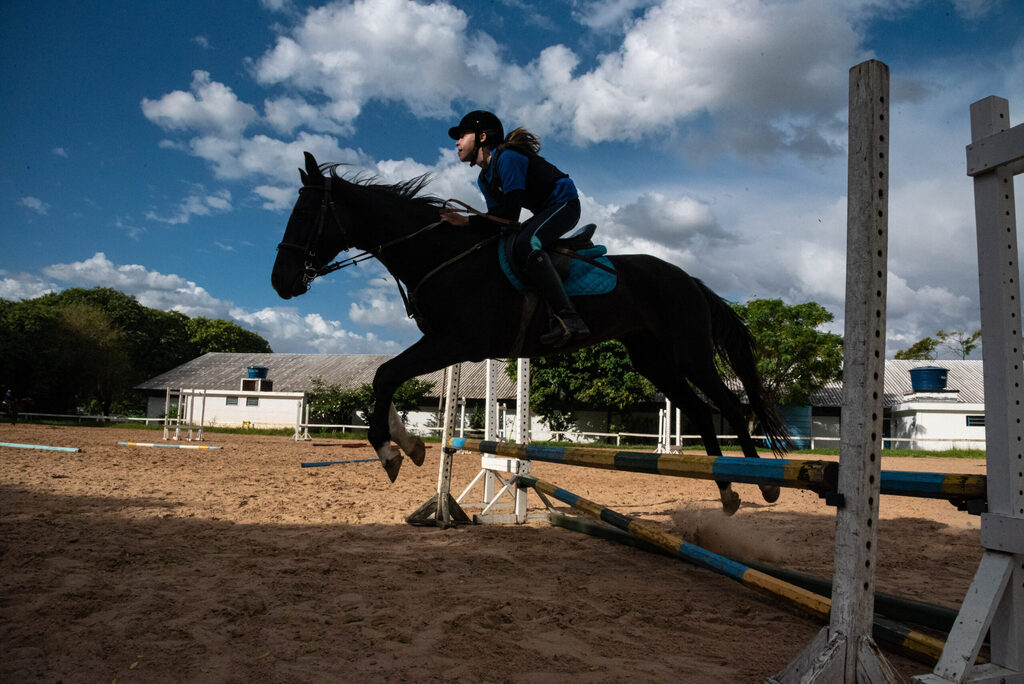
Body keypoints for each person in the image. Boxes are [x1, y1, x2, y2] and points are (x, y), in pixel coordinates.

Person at [441, 110, 590, 347]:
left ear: (481, 137)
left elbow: (509, 216)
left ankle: (570, 318)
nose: (457, 143)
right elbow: (498, 223)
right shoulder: (484, 179)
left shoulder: (508, 158)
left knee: (525, 243)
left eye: (462, 136)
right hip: (544, 212)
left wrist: (467, 221)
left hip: (565, 205)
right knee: (503, 243)